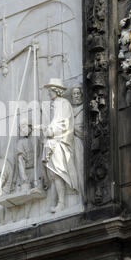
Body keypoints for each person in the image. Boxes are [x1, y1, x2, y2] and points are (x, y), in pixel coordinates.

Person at [42, 78, 79, 213]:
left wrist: (51, 130)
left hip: (59, 142)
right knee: (52, 174)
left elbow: (64, 123)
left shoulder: (63, 103)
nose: (48, 93)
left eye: (50, 90)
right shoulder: (52, 105)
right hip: (51, 142)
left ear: (56, 90)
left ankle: (62, 202)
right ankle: (56, 202)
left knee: (58, 172)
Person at [71, 86, 84, 188]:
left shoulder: (84, 108)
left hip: (81, 140)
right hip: (72, 141)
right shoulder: (69, 110)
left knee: (81, 167)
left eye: (78, 93)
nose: (76, 96)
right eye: (74, 94)